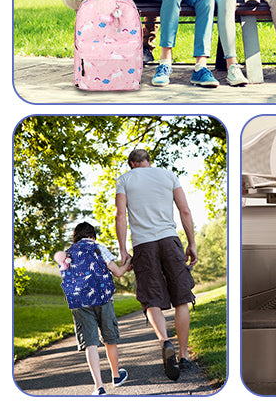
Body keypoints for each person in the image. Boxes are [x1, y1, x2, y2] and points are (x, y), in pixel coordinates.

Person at [115, 149, 198, 382]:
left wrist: (123, 250)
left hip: (143, 244)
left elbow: (120, 216)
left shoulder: (124, 180)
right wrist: (191, 244)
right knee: (182, 297)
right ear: (148, 161)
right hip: (169, 240)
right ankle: (183, 356)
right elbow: (185, 210)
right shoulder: (168, 175)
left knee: (151, 299)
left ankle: (164, 341)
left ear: (132, 163)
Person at [54, 222, 132, 396]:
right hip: (103, 298)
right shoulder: (98, 247)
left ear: (76, 236)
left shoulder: (67, 254)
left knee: (90, 342)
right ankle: (116, 376)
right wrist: (128, 265)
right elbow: (118, 272)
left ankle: (99, 386)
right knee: (109, 337)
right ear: (92, 235)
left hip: (80, 303)